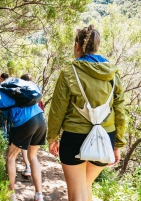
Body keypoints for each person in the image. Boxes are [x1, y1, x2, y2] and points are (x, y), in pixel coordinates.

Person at [47, 25, 126, 201]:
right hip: (106, 138)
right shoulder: (113, 74)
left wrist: (52, 137)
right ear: (97, 46)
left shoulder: (69, 72)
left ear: (77, 45)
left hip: (75, 138)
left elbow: (57, 110)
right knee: (85, 186)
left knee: (77, 194)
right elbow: (120, 111)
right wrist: (118, 144)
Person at [0, 73, 11, 139]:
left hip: (2, 109)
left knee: (2, 125)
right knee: (9, 125)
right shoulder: (12, 86)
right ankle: (10, 140)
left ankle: (4, 141)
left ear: (1, 78)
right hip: (11, 109)